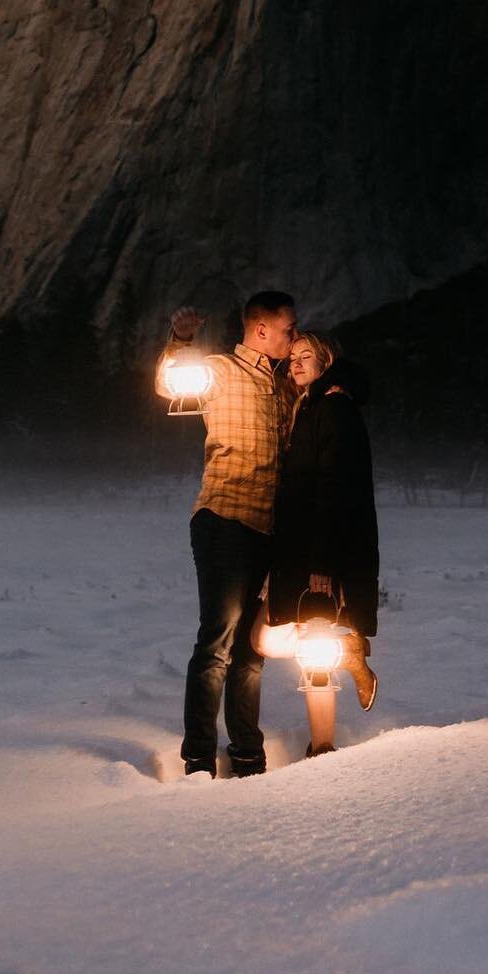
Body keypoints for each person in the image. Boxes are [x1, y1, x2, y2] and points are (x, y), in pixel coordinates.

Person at [157, 290, 299, 778]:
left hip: (267, 529)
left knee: (250, 649)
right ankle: (198, 757)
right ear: (261, 329)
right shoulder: (220, 371)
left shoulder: (282, 388)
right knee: (217, 642)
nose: (292, 336)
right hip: (224, 518)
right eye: (287, 329)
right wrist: (180, 338)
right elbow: (168, 383)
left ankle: (247, 752)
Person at [268, 331, 380, 739]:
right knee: (268, 638)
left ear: (326, 362)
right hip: (302, 545)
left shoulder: (332, 406)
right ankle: (349, 649)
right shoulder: (312, 405)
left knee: (310, 645)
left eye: (307, 356)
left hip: (322, 551)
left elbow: (334, 486)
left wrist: (323, 563)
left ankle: (321, 746)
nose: (296, 363)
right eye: (292, 356)